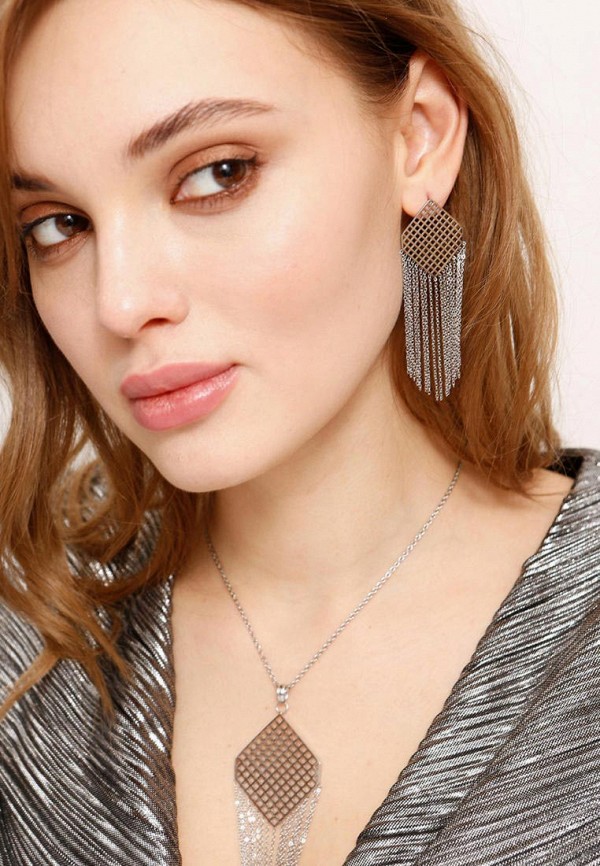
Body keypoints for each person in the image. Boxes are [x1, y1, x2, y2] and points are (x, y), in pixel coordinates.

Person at [0, 0, 598, 863]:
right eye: (59, 224)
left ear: (419, 137)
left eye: (217, 174)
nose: (119, 302)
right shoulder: (27, 627)